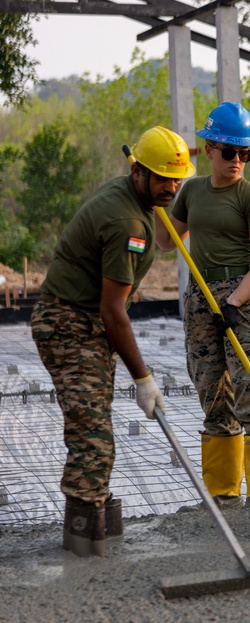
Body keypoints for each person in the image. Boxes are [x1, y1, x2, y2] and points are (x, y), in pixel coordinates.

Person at [32, 126, 193, 557]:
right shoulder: (127, 223)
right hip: (70, 323)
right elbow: (113, 311)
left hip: (84, 321)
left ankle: (95, 511)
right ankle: (85, 539)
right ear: (138, 171)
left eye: (176, 180)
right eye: (162, 179)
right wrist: (144, 376)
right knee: (93, 435)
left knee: (94, 427)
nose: (171, 189)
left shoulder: (131, 197)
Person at [155, 102, 250, 509]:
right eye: (230, 152)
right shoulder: (192, 191)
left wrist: (234, 301)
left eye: (245, 153)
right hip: (200, 296)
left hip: (242, 297)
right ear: (209, 149)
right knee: (212, 392)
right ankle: (223, 495)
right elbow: (164, 241)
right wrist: (154, 196)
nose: (237, 161)